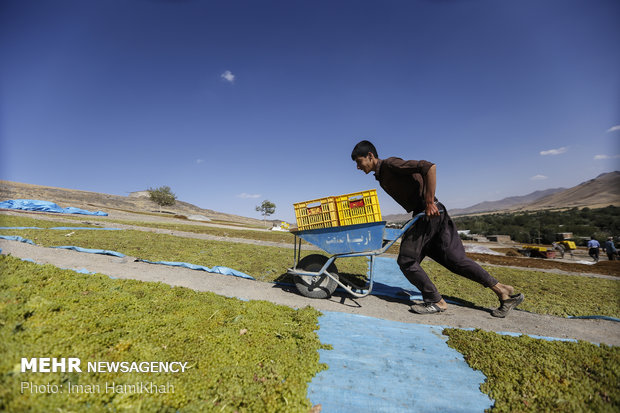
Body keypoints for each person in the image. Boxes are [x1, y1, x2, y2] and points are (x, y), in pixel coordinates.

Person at [351, 140, 524, 317]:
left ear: (370, 156)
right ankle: (502, 291)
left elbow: (429, 167)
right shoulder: (382, 175)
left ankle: (435, 301)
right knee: (455, 260)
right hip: (433, 213)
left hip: (428, 213)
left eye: (359, 161)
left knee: (407, 261)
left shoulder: (390, 164)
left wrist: (428, 202)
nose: (358, 167)